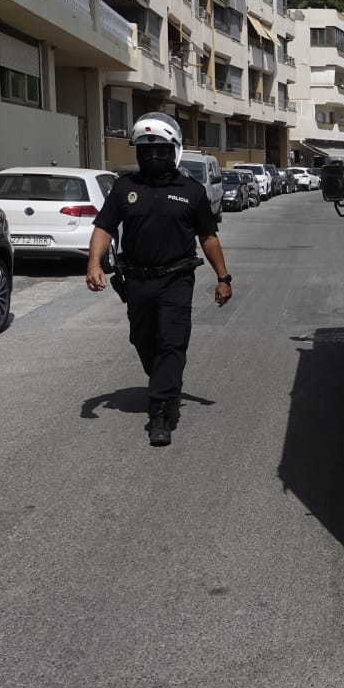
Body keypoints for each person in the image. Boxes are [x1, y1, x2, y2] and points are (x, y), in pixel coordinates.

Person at [86, 113, 232, 446]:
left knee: (171, 341)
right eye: (146, 152)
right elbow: (104, 227)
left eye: (161, 151)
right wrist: (94, 263)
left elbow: (208, 237)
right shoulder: (125, 188)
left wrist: (223, 277)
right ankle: (166, 381)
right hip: (136, 280)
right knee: (142, 339)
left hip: (176, 279)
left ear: (173, 151)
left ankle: (161, 411)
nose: (154, 157)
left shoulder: (191, 191)